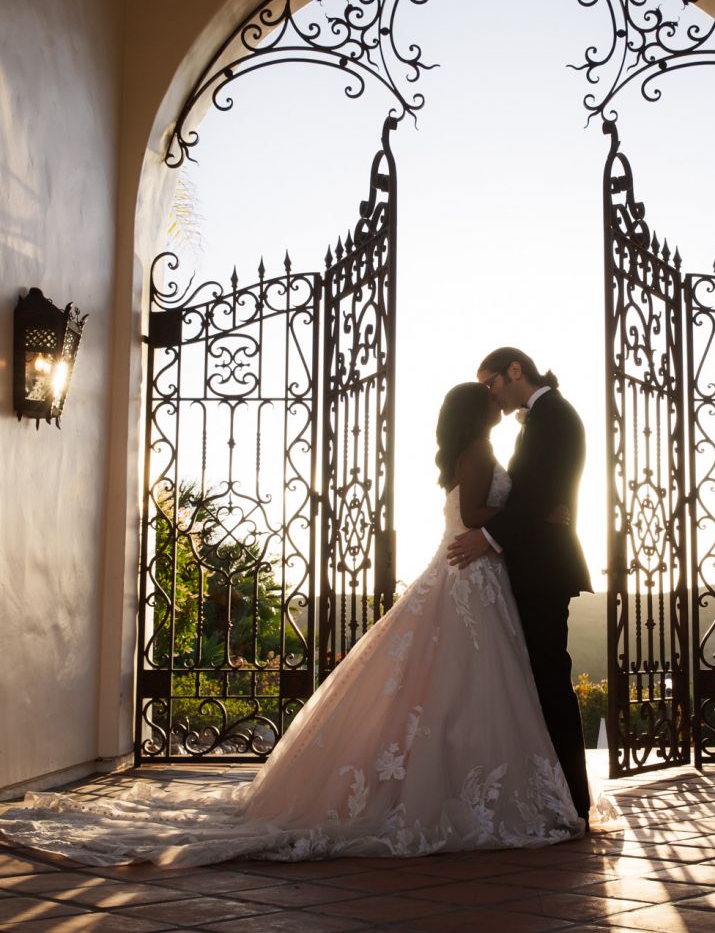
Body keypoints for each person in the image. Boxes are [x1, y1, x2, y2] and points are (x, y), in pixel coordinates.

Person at [0, 383, 585, 867]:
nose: (493, 398)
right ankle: (467, 786)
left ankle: (455, 779)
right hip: (470, 576)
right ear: (475, 413)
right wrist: (526, 513)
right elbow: (476, 515)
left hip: (467, 576)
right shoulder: (481, 452)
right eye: (485, 395)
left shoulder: (469, 451)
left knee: (442, 690)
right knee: (466, 688)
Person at [448, 348, 592, 823]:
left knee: (550, 678)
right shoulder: (538, 419)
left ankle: (572, 800)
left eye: (490, 383)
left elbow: (537, 493)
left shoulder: (555, 416)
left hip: (544, 569)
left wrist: (487, 536)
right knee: (532, 680)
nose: (489, 394)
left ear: (515, 371)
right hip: (525, 565)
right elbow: (535, 496)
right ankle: (547, 792)